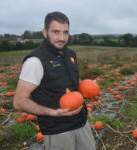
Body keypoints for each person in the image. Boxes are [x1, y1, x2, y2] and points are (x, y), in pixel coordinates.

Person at [13, 11, 95, 150]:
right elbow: (19, 102)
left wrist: (88, 87)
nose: (62, 38)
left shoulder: (70, 54)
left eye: (65, 32)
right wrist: (53, 112)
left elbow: (72, 82)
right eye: (56, 32)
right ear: (45, 32)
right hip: (58, 130)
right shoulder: (35, 61)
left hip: (81, 122)